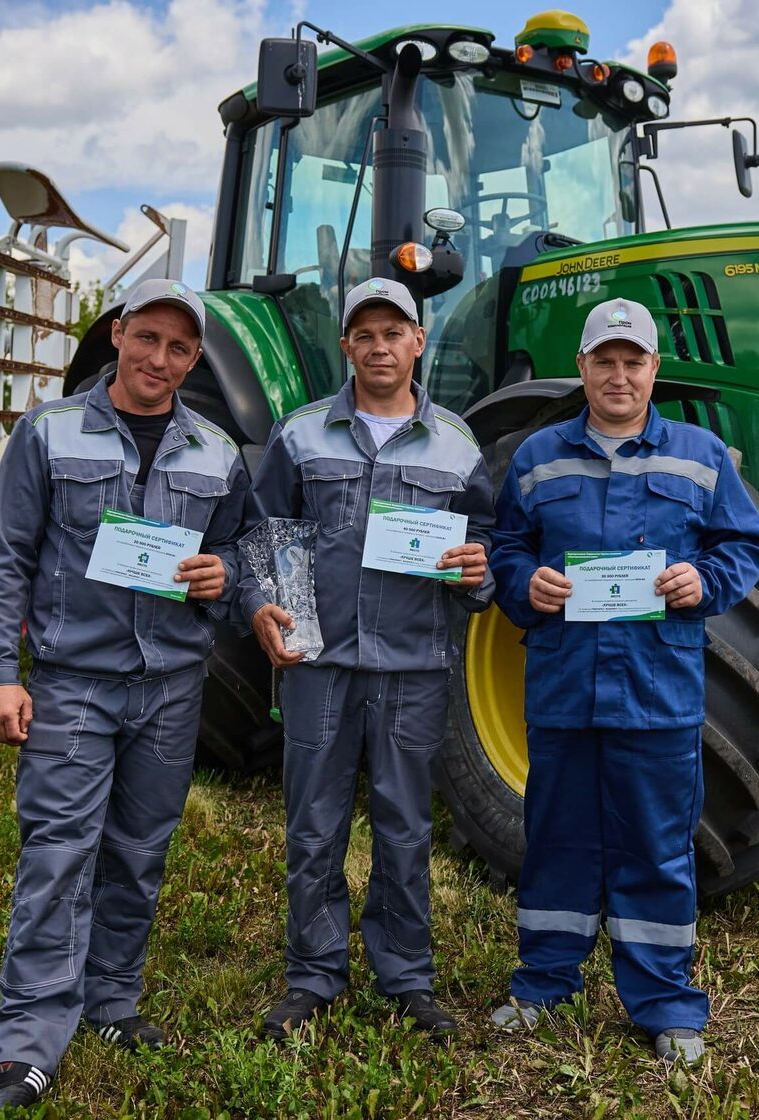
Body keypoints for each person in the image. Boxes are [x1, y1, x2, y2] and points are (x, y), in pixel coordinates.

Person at [0, 278, 248, 1111]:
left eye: (180, 347)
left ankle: (111, 999)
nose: (161, 358)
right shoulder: (47, 433)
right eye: (148, 338)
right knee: (58, 853)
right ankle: (27, 1040)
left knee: (138, 852)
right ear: (118, 334)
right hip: (75, 683)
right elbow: (3, 557)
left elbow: (237, 553)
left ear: (195, 358)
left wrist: (223, 576)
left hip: (172, 688)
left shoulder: (218, 453)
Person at [485, 297, 759, 1065]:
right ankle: (543, 985)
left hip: (657, 693)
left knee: (656, 847)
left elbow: (747, 545)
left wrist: (703, 580)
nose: (619, 375)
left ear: (654, 369)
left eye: (633, 361)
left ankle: (665, 1003)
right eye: (605, 361)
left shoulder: (700, 456)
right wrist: (526, 583)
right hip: (564, 690)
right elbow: (506, 547)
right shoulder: (537, 456)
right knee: (557, 840)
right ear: (582, 367)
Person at [238, 277, 495, 1041]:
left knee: (405, 824)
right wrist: (262, 605)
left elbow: (485, 543)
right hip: (318, 664)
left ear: (419, 342)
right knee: (313, 824)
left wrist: (479, 572)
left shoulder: (457, 444)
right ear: (346, 345)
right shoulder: (300, 434)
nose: (380, 348)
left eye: (394, 334)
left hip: (413, 666)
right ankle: (313, 974)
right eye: (366, 335)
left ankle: (406, 975)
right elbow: (263, 534)